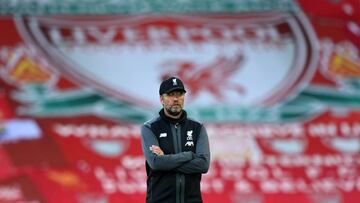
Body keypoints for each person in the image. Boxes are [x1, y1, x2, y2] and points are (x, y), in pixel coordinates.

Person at [140, 76, 211, 203]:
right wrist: (189, 155)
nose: (176, 99)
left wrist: (166, 158)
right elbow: (156, 163)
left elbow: (203, 165)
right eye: (171, 95)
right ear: (162, 99)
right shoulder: (150, 128)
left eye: (180, 94)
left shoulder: (197, 128)